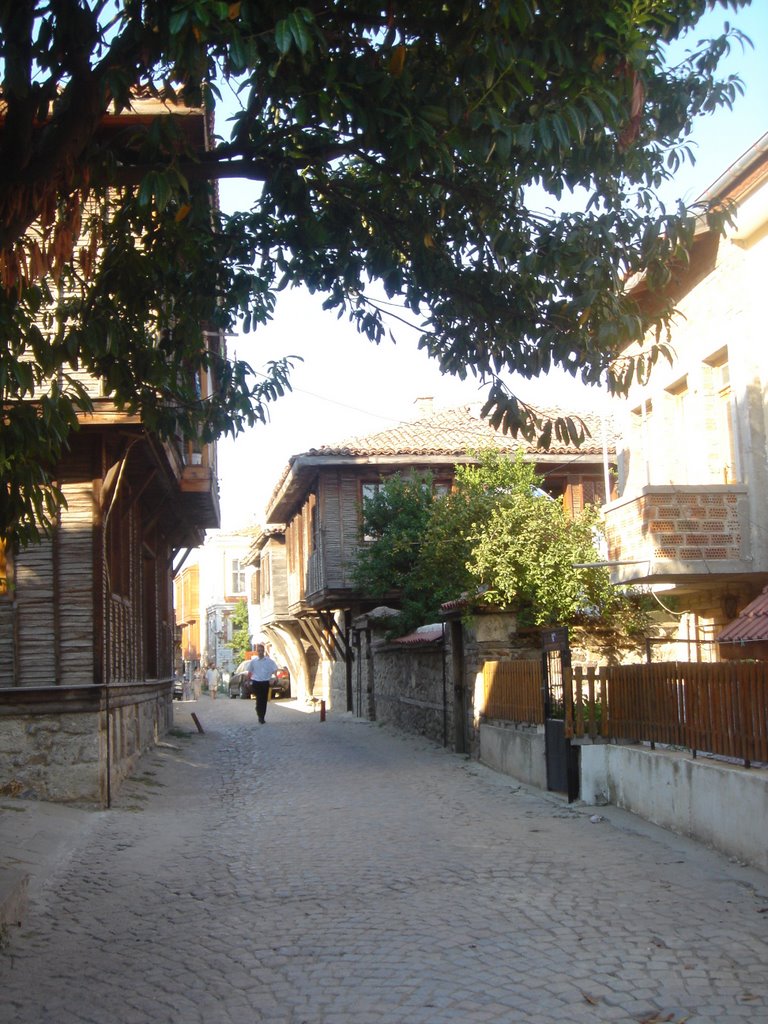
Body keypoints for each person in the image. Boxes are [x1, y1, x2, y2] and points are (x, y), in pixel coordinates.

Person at [247, 643, 278, 723]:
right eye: (259, 651)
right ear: (257, 652)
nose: (260, 652)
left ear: (264, 651)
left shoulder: (269, 661)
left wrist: (275, 677)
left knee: (264, 700)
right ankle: (258, 710)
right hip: (256, 682)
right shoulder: (253, 662)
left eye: (261, 651)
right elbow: (250, 672)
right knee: (259, 698)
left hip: (265, 682)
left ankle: (262, 716)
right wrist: (248, 680)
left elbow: (274, 669)